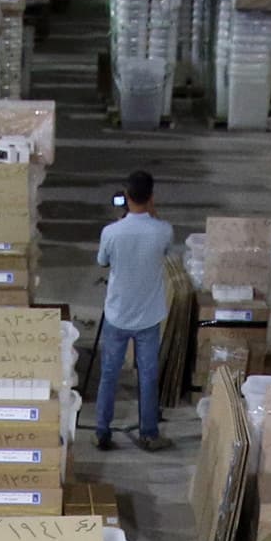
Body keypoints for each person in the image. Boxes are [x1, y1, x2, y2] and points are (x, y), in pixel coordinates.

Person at [91, 171, 176, 455]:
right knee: (148, 376)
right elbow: (165, 250)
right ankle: (149, 433)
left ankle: (102, 431)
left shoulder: (111, 233)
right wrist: (153, 213)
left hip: (117, 314)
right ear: (152, 197)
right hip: (148, 317)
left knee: (109, 375)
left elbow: (103, 261)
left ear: (126, 197)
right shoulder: (163, 230)